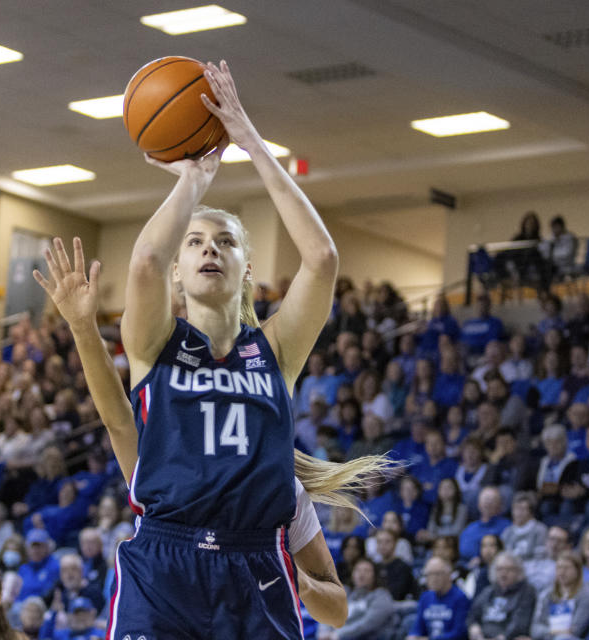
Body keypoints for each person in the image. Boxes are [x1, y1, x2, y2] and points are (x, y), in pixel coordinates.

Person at [33, 78, 389, 635]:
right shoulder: (156, 340)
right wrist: (195, 180)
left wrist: (250, 140)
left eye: (225, 242)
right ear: (180, 269)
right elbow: (147, 259)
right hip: (165, 561)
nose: (209, 250)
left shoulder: (274, 350)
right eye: (196, 242)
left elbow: (321, 258)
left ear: (248, 267)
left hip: (256, 563)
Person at [316, 558, 395, 640]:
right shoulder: (344, 592)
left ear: (375, 575)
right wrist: (324, 632)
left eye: (367, 571)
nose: (361, 574)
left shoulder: (382, 596)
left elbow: (369, 623)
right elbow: (327, 613)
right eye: (358, 570)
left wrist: (338, 635)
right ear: (352, 574)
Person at [530, 551, 589, 640]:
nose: (562, 572)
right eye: (559, 568)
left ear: (578, 571)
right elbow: (535, 629)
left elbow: (576, 630)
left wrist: (550, 633)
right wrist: (554, 632)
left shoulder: (587, 594)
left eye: (566, 568)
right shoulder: (547, 593)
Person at [466, 553, 537, 640]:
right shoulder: (489, 591)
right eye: (499, 569)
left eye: (509, 569)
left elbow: (519, 624)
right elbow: (472, 615)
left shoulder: (526, 592)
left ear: (519, 571)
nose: (503, 573)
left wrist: (502, 637)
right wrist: (474, 627)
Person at [408, 557, 471, 640]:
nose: (433, 578)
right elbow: (418, 627)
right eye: (429, 574)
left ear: (448, 575)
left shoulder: (460, 598)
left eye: (437, 574)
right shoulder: (425, 597)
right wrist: (413, 636)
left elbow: (459, 633)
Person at [459, 488, 510, 562]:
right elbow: (463, 552)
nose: (488, 502)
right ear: (478, 504)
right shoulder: (470, 528)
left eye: (492, 500)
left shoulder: (507, 526)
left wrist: (481, 559)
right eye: (485, 499)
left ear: (499, 505)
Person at [501, 492, 547, 563]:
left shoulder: (540, 530)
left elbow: (541, 557)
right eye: (516, 509)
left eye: (522, 509)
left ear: (531, 512)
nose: (518, 513)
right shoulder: (507, 531)